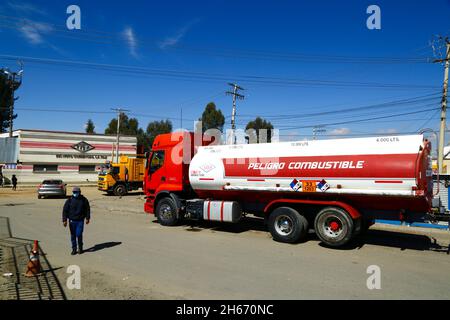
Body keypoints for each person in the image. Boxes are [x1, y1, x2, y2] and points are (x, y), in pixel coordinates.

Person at [62, 187, 91, 255]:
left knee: (79, 234)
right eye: (74, 192)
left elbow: (87, 209)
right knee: (73, 235)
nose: (75, 193)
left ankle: (80, 248)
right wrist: (64, 220)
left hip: (80, 221)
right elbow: (65, 210)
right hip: (72, 221)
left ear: (79, 192)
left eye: (76, 192)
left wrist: (87, 218)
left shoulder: (84, 200)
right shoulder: (69, 200)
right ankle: (74, 249)